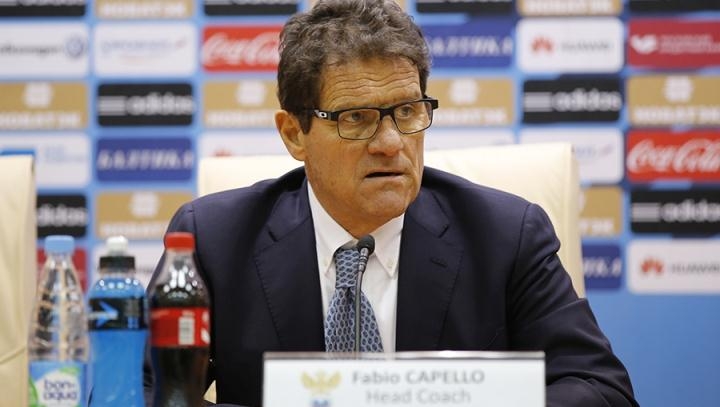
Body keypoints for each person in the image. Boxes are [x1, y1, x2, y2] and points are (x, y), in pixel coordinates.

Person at [144, 0, 638, 405]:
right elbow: (143, 389)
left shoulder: (505, 236)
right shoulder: (215, 240)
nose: (390, 142)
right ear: (294, 133)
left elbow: (601, 390)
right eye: (356, 118)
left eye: (406, 111)